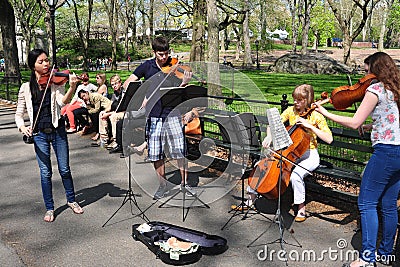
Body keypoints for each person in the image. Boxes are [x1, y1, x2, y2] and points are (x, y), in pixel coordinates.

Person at [315, 52, 400, 267]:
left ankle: (366, 258)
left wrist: (326, 113)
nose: (365, 75)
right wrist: (372, 126)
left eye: (366, 70)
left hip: (386, 153)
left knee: (366, 203)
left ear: (375, 69)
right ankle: (385, 252)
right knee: (389, 205)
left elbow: (354, 122)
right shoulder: (396, 89)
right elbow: (392, 120)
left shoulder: (375, 89)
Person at [234, 84, 333, 222]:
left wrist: (309, 126)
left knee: (296, 175)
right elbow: (273, 125)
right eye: (294, 99)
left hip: (309, 154)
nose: (295, 102)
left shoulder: (316, 116)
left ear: (307, 100)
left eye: (299, 100)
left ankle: (301, 208)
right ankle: (250, 200)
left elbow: (329, 139)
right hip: (290, 152)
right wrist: (269, 136)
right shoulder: (291, 111)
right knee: (260, 166)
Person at [15, 49, 84, 222]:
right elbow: (18, 114)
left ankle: (71, 200)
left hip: (57, 130)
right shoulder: (25, 88)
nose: (46, 64)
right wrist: (23, 127)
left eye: (47, 60)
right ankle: (50, 207)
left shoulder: (54, 82)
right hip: (38, 134)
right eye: (41, 61)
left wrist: (73, 87)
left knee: (64, 169)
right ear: (33, 66)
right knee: (45, 173)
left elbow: (62, 102)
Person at [123, 36, 194, 200]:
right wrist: (140, 93)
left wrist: (184, 83)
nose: (164, 58)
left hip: (173, 113)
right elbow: (129, 83)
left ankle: (185, 184)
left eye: (166, 54)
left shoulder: (175, 65)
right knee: (156, 153)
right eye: (160, 54)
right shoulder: (146, 66)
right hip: (153, 115)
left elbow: (182, 92)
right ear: (154, 52)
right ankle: (163, 186)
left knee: (180, 150)